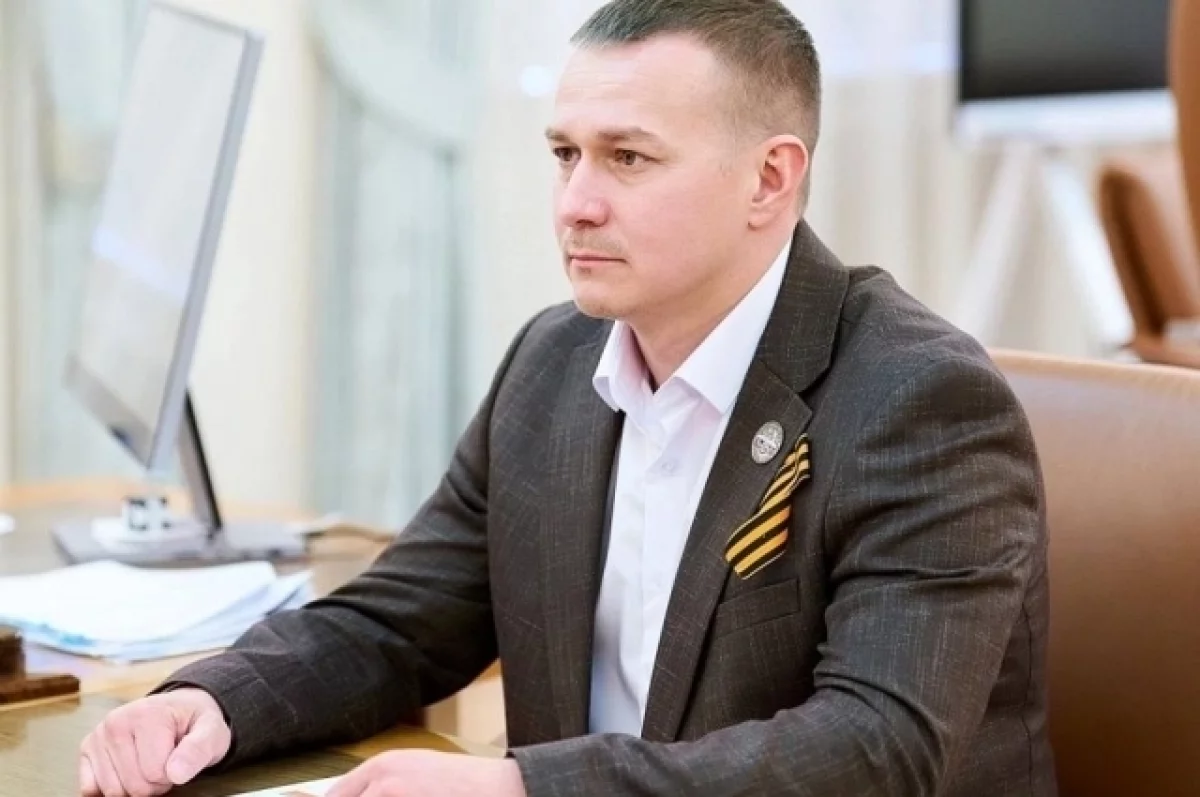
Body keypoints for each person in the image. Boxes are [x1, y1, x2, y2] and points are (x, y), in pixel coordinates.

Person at [79, 1, 1056, 795]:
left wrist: (523, 787)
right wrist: (215, 704)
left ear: (770, 178)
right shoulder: (552, 360)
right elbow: (400, 621)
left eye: (628, 157)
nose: (576, 202)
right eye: (564, 153)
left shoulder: (920, 400)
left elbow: (877, 750)